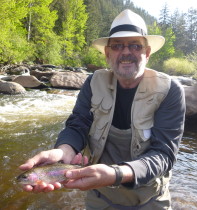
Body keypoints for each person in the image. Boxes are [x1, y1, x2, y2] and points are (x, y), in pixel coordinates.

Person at [19, 9, 186, 209]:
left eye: (135, 45)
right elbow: (78, 125)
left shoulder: (169, 90)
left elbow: (163, 154)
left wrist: (116, 174)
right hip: (100, 196)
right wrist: (63, 150)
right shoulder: (93, 83)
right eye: (117, 46)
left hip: (149, 198)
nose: (126, 52)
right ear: (107, 54)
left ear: (147, 53)